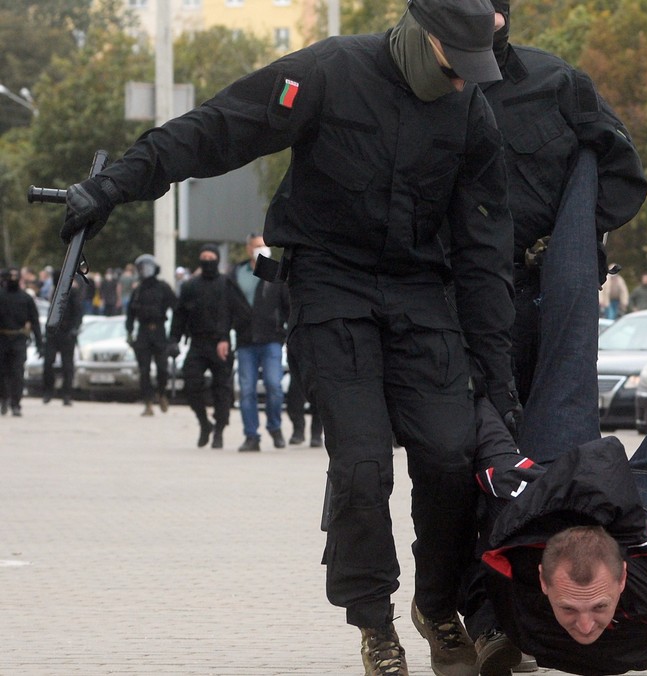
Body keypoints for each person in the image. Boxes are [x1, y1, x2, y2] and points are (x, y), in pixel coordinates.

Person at [57, 1, 517, 673]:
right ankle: (375, 623)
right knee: (361, 466)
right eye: (456, 66)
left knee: (451, 458)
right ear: (426, 35)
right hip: (333, 291)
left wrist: (496, 370)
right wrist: (112, 186)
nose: (462, 83)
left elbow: (483, 246)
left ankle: (437, 603)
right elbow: (214, 130)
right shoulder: (326, 73)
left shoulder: (470, 107)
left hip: (422, 295)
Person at [474, 353, 647, 676]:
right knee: (564, 351)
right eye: (568, 608)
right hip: (558, 497)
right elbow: (491, 450)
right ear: (543, 580)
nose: (585, 626)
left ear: (622, 578)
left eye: (598, 606)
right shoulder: (515, 557)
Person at [481, 0, 647, 403]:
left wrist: (571, 243)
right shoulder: (422, 87)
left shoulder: (556, 81)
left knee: (545, 436)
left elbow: (623, 173)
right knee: (451, 447)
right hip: (447, 295)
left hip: (537, 296)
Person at [169, 246, 250, 448]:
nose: (207, 261)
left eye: (211, 258)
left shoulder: (227, 284)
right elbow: (179, 315)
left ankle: (219, 430)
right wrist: (173, 340)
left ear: (217, 259)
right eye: (203, 257)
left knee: (222, 390)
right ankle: (205, 423)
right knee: (191, 383)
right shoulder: (190, 286)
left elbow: (242, 313)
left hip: (221, 343)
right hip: (197, 343)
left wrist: (227, 336)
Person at [232, 233, 288, 452]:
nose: (261, 249)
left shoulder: (276, 272)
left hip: (271, 339)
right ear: (248, 249)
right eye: (257, 246)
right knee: (246, 390)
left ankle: (275, 426)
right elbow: (230, 304)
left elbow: (286, 304)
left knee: (274, 385)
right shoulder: (237, 273)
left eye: (265, 246)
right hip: (246, 340)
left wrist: (287, 330)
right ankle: (251, 436)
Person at [126, 253, 179, 416]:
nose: (144, 271)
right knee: (144, 370)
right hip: (143, 333)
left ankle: (161, 393)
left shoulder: (163, 287)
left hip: (160, 332)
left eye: (147, 268)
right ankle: (148, 402)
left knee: (163, 369)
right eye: (141, 268)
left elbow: (176, 309)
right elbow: (130, 314)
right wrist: (129, 332)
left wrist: (174, 336)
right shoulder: (138, 290)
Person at [1, 268, 43, 417]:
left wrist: (39, 343)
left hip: (19, 340)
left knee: (17, 373)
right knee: (2, 373)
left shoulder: (26, 298)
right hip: (2, 339)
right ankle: (4, 399)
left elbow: (35, 321)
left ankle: (16, 404)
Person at [42, 268, 87, 406]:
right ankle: (48, 391)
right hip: (54, 332)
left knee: (67, 365)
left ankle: (67, 394)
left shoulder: (72, 293)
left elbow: (78, 313)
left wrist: (74, 329)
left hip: (67, 332)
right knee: (48, 363)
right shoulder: (53, 292)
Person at [285, 346, 322, 447]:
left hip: (321, 351)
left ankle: (316, 434)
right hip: (299, 349)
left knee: (319, 395)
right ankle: (298, 429)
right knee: (294, 396)